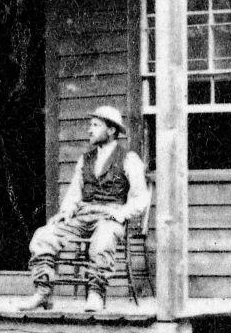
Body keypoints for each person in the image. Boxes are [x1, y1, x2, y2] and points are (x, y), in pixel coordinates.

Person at [27, 106, 149, 314]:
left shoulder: (129, 159)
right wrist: (66, 212)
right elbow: (74, 194)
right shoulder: (85, 159)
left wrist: (121, 214)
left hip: (110, 217)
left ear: (111, 130)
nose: (89, 130)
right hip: (83, 216)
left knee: (103, 240)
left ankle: (95, 293)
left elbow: (141, 198)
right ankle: (43, 291)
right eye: (90, 125)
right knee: (43, 235)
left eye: (95, 125)